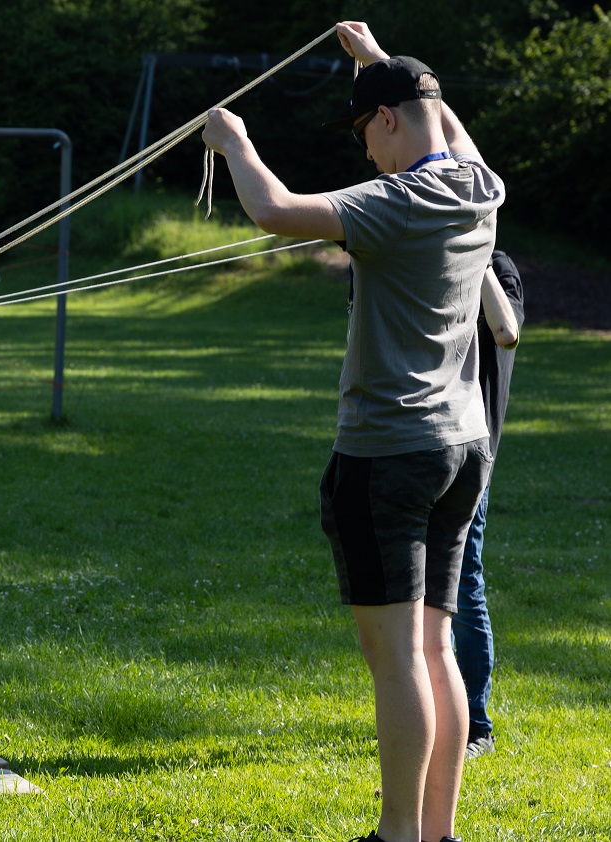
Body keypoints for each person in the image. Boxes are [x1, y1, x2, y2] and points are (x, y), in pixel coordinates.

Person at [201, 22, 503, 842]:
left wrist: (233, 140)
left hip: (389, 452)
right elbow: (447, 122)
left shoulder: (396, 201)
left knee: (396, 655)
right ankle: (437, 833)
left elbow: (272, 211)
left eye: (364, 131)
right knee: (436, 650)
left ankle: (398, 835)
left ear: (390, 122)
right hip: (462, 448)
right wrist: (378, 64)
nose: (365, 152)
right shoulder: (481, 186)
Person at [454, 250, 524, 761]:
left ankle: (477, 725)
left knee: (463, 581)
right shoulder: (421, 249)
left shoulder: (499, 269)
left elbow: (507, 331)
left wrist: (475, 255)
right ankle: (435, 711)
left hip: (474, 452)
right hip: (417, 443)